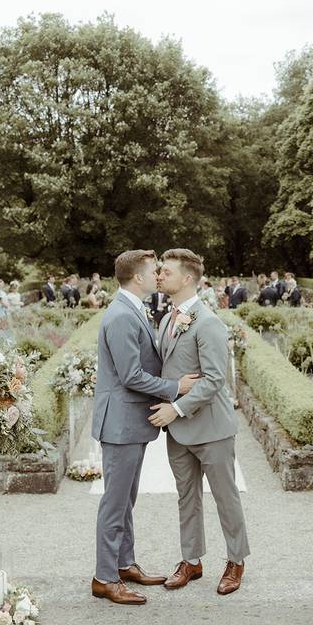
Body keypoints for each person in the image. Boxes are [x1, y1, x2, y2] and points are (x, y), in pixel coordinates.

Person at [90, 250, 199, 605]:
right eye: (154, 270)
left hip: (129, 422)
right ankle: (104, 578)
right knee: (115, 502)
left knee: (125, 500)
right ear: (138, 277)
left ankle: (124, 564)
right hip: (120, 423)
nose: (158, 275)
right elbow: (130, 375)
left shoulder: (133, 308)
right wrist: (175, 388)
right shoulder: (122, 315)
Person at [152, 248, 250, 596]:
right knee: (186, 497)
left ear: (188, 278)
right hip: (178, 431)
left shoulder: (209, 322)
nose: (159, 275)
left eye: (166, 271)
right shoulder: (166, 319)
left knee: (226, 497)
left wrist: (175, 409)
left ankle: (236, 560)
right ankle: (191, 560)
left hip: (211, 429)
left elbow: (213, 380)